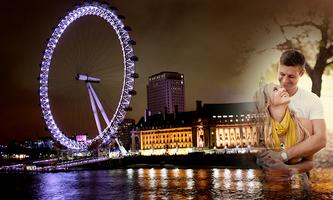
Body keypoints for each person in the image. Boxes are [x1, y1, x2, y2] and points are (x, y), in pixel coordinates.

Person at [258, 49, 327, 170]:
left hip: (297, 175)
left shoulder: (312, 101)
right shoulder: (265, 98)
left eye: (291, 76)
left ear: (301, 74)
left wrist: (283, 156)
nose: (284, 81)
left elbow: (320, 139)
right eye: (282, 74)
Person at [255, 83, 313, 175]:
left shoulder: (304, 124)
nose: (283, 89)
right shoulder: (259, 130)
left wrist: (288, 169)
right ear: (266, 101)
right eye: (275, 89)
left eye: (281, 87)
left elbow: (310, 162)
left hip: (297, 185)